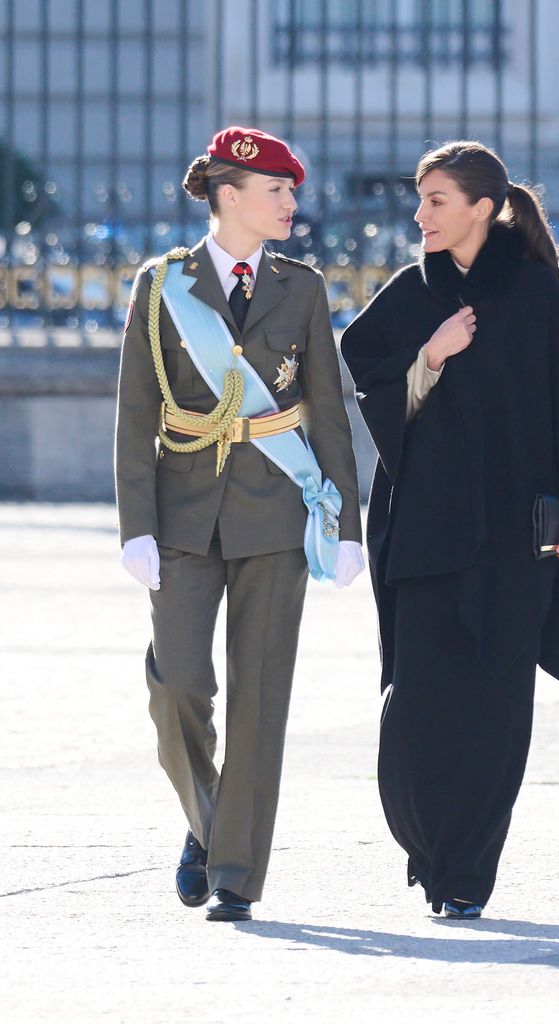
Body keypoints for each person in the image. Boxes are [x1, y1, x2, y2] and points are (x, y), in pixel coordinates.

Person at [340, 140, 559, 920]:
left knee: (496, 711)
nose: (419, 214)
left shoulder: (533, 292)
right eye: (419, 199)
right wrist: (430, 354)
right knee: (418, 708)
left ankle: (465, 875)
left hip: (515, 542)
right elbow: (368, 374)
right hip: (426, 532)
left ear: (482, 208)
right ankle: (426, 849)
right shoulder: (408, 293)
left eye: (435, 200)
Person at [115, 126, 364, 922]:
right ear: (229, 195)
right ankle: (209, 819)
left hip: (275, 513)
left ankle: (235, 874)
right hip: (184, 510)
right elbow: (134, 413)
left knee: (261, 696)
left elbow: (328, 410)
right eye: (278, 191)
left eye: (293, 189)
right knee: (177, 687)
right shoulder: (163, 287)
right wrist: (135, 524)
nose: (293, 203)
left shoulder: (303, 287)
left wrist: (349, 522)